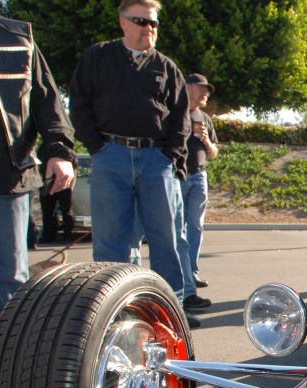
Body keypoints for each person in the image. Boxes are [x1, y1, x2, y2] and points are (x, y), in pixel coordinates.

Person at [0, 0, 76, 388]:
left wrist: (60, 152)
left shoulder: (16, 36)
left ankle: (18, 364)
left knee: (10, 278)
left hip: (2, 175)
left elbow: (47, 101)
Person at [69, 0, 203, 326]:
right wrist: (97, 147)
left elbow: (180, 118)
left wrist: (170, 156)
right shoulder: (97, 57)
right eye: (141, 21)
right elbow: (79, 103)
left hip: (155, 159)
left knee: (166, 241)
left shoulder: (167, 67)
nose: (149, 29)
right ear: (123, 23)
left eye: (154, 23)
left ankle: (170, 315)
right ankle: (114, 313)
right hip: (110, 155)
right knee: (110, 242)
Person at [180, 73, 218, 289]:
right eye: (201, 87)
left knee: (195, 227)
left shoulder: (205, 119)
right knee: (178, 230)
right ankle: (180, 275)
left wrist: (205, 141)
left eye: (207, 89)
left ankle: (192, 273)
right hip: (178, 177)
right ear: (187, 87)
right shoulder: (176, 114)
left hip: (199, 176)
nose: (205, 92)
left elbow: (213, 153)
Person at [38, 151, 75, 243]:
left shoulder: (67, 153)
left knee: (66, 210)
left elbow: (73, 172)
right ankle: (48, 235)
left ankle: (67, 235)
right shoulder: (43, 151)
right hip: (47, 185)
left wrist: (71, 188)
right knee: (47, 211)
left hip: (64, 185)